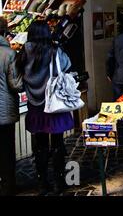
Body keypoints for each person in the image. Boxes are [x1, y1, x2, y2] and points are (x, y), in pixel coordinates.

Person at [17, 20, 74, 196]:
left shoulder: (23, 53)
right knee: (57, 143)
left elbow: (20, 76)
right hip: (53, 104)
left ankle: (42, 183)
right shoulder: (54, 51)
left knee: (40, 146)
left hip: (35, 106)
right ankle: (59, 182)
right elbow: (66, 65)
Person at [0, 17, 22, 196]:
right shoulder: (9, 54)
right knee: (7, 149)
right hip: (4, 110)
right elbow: (15, 85)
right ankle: (8, 186)